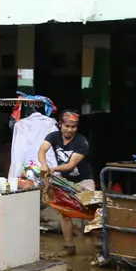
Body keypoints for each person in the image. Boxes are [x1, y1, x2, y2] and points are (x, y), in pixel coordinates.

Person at [38, 110, 94, 257]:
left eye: (73, 127)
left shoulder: (82, 142)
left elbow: (70, 165)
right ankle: (69, 246)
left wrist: (52, 169)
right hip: (65, 181)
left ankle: (99, 248)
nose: (69, 130)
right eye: (67, 126)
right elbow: (42, 150)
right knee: (65, 213)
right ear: (60, 125)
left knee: (92, 211)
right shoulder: (53, 136)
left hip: (84, 180)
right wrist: (43, 164)